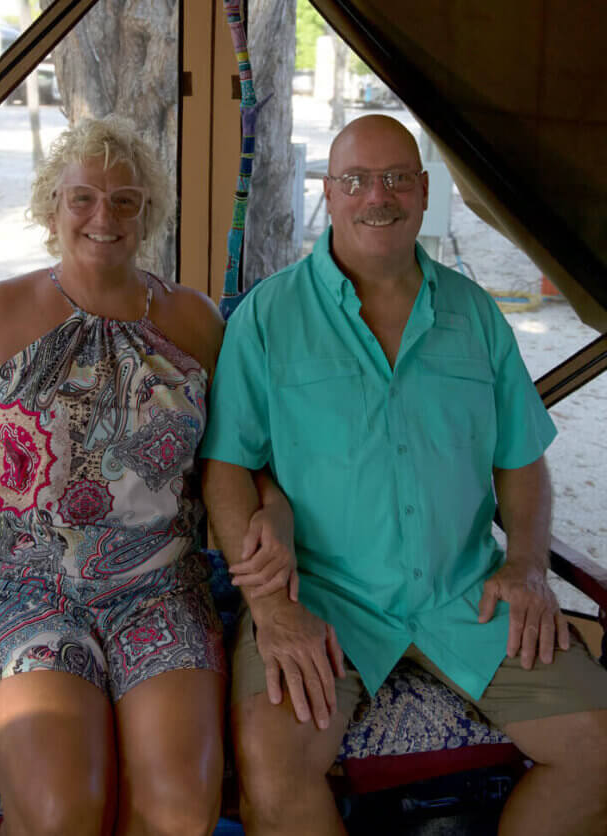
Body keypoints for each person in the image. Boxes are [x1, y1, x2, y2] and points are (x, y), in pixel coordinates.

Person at [0, 116, 286, 836]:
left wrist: (274, 528)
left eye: (126, 200)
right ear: (52, 208)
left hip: (160, 587)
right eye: (82, 197)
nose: (102, 217)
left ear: (150, 212)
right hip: (20, 586)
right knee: (60, 812)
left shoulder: (196, 322)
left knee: (180, 813)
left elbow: (240, 457)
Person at [201, 114, 607, 836]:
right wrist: (270, 607)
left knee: (600, 754)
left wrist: (525, 565)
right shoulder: (269, 315)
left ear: (423, 192)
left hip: (465, 593)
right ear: (330, 191)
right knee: (271, 773)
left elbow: (521, 461)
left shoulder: (476, 315)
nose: (376, 197)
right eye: (355, 180)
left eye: (395, 179)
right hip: (325, 597)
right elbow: (229, 468)